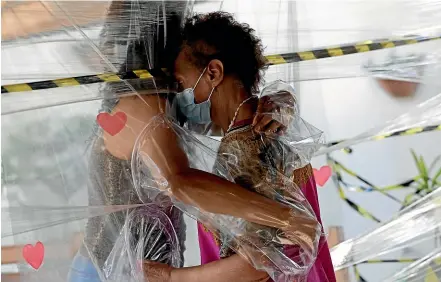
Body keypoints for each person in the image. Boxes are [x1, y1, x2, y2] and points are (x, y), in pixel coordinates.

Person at [68, 2, 302, 282]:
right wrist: (286, 218)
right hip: (109, 272)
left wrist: (279, 99)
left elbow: (231, 112)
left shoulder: (170, 103)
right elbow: (179, 182)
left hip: (138, 270)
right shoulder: (143, 104)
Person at [140, 12, 337, 282]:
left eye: (182, 84)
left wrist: (173, 277)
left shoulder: (243, 150)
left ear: (213, 72)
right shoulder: (273, 125)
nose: (180, 98)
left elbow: (264, 261)